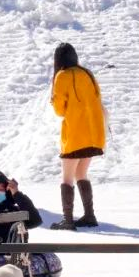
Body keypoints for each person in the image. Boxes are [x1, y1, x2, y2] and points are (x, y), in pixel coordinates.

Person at [49, 42, 106, 230]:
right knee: (82, 173)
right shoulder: (87, 73)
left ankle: (68, 219)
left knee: (67, 177)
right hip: (93, 133)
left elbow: (59, 110)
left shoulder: (62, 76)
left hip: (74, 134)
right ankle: (90, 215)